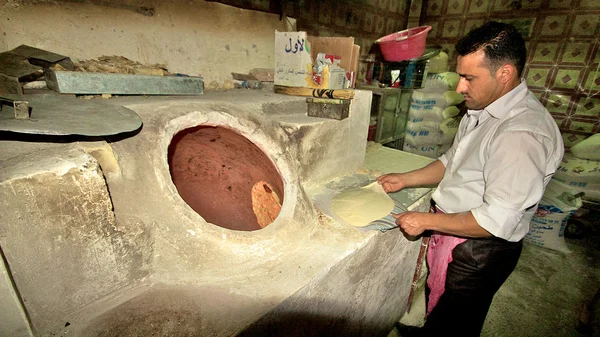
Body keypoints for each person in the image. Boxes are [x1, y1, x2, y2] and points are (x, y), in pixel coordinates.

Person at [377, 21, 564, 336]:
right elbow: (454, 161)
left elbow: (496, 220)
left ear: (504, 73)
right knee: (439, 306)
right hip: (459, 232)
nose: (460, 87)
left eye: (469, 78)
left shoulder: (521, 134)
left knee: (457, 324)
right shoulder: (482, 110)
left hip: (479, 251)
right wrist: (405, 179)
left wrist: (426, 221)